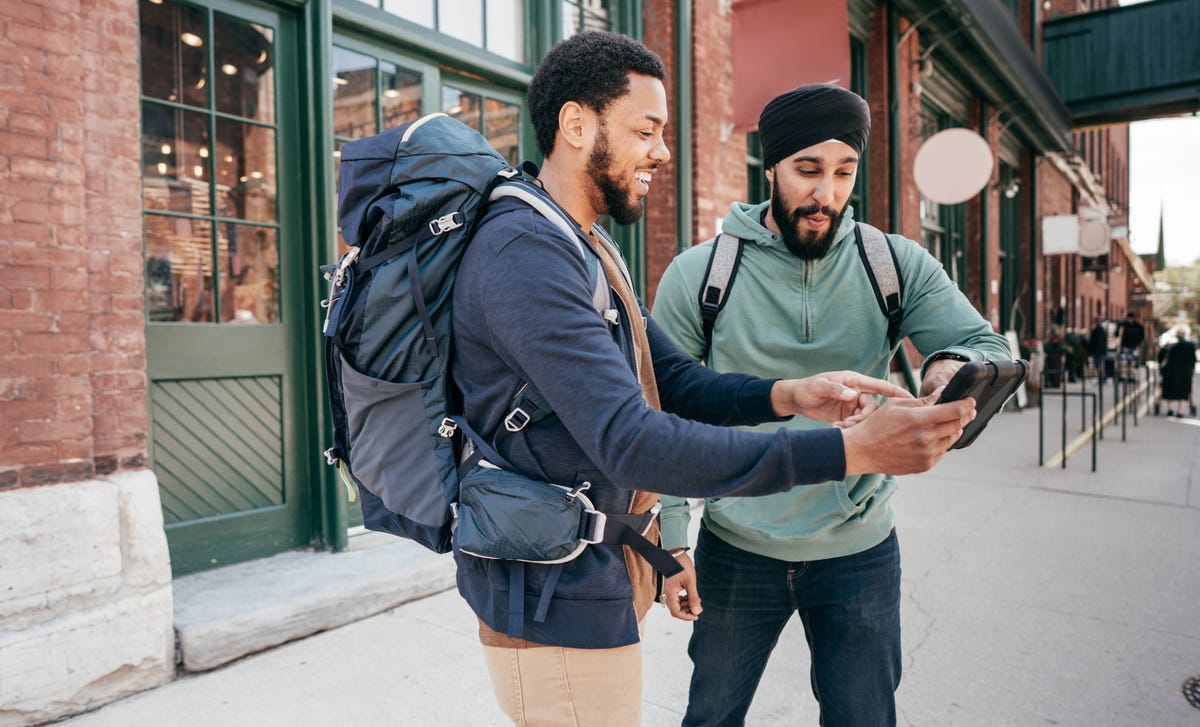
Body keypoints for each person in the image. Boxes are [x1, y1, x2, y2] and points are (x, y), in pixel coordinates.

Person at [450, 36, 975, 726]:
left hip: (589, 581)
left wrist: (787, 395)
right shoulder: (527, 255)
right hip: (549, 599)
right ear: (576, 125)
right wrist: (851, 451)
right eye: (647, 130)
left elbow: (672, 379)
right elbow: (634, 440)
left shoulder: (582, 242)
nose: (663, 152)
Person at [651, 83, 1012, 727]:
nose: (827, 194)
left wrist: (947, 370)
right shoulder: (700, 273)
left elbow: (982, 343)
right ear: (772, 168)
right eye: (808, 170)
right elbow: (663, 413)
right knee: (710, 715)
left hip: (859, 549)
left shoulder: (893, 264)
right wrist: (673, 542)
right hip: (738, 547)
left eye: (844, 172)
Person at [1158, 324, 1197, 417]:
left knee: (1170, 389)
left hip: (1171, 371)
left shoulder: (1169, 345)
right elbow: (1193, 359)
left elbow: (1160, 357)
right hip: (1185, 371)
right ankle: (1180, 411)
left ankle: (1170, 410)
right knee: (1184, 391)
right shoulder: (1190, 346)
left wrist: (1161, 369)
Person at [1118, 311, 1145, 381]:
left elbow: (1142, 336)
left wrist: (1137, 343)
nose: (1129, 319)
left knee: (1132, 362)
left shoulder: (1138, 326)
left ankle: (1131, 376)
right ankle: (1122, 376)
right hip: (1125, 346)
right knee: (1123, 362)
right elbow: (1117, 334)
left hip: (1134, 346)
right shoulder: (1123, 325)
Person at [1087, 317, 1109, 383]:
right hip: (1096, 351)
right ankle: (1102, 377)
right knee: (1097, 365)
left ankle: (1103, 377)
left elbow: (1101, 342)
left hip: (1099, 351)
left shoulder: (1101, 331)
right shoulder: (1095, 330)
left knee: (1100, 365)